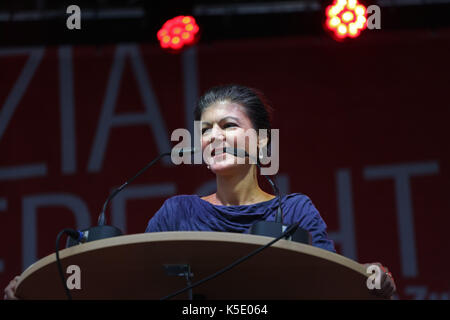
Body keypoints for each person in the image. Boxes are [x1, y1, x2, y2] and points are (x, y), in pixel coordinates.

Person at [4, 84, 396, 300]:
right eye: (205, 130)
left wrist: (373, 280)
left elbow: (327, 286)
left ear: (261, 144)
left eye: (227, 125)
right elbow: (135, 289)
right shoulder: (177, 213)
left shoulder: (294, 211)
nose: (213, 136)